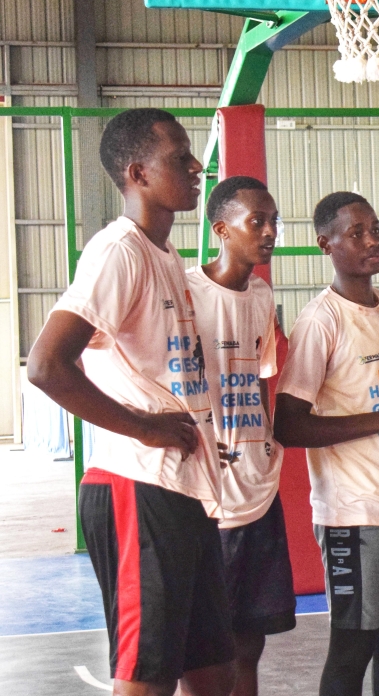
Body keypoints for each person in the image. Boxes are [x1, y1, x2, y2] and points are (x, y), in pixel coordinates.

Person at [26, 108, 234, 696]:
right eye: (181, 158)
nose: (198, 167)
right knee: (146, 673)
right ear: (138, 173)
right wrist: (142, 425)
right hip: (134, 487)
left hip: (180, 489)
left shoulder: (164, 255)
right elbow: (46, 364)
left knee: (214, 670)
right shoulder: (118, 251)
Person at [273, 192, 379, 696]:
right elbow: (289, 426)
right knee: (352, 651)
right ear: (325, 244)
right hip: (353, 512)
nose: (372, 240)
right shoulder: (320, 321)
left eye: (375, 228)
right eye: (356, 233)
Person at [185, 176, 294, 696]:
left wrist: (266, 442)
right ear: (221, 229)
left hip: (258, 487)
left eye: (274, 220)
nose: (271, 231)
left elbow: (260, 376)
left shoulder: (261, 294)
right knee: (208, 648)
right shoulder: (183, 293)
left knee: (250, 642)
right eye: (258, 222)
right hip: (208, 499)